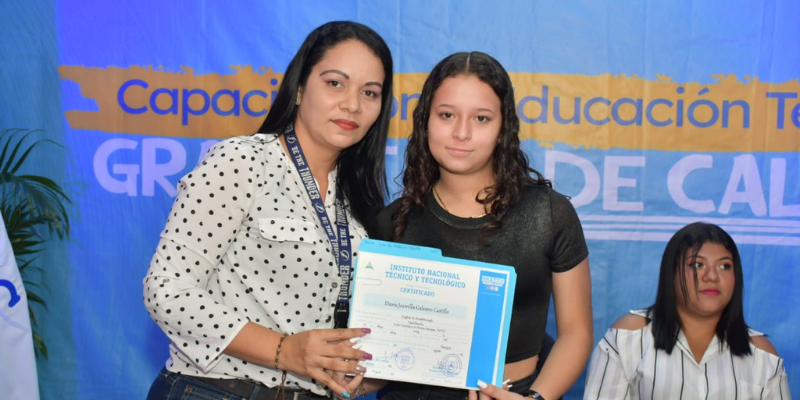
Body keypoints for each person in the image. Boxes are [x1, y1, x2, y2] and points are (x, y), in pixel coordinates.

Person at [142, 20, 394, 400]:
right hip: (217, 391)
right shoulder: (242, 161)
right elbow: (166, 290)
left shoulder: (359, 203)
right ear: (299, 88)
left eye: (369, 92)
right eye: (335, 83)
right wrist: (284, 350)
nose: (352, 104)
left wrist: (366, 372)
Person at [376, 51, 594, 400]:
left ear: (503, 127)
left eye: (481, 118)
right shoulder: (392, 222)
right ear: (425, 120)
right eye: (447, 115)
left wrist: (535, 399)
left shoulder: (548, 213)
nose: (461, 133)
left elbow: (576, 334)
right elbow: (376, 349)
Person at [583, 222, 792, 399]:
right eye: (698, 264)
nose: (712, 276)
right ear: (671, 272)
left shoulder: (762, 354)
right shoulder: (627, 338)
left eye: (724, 266)